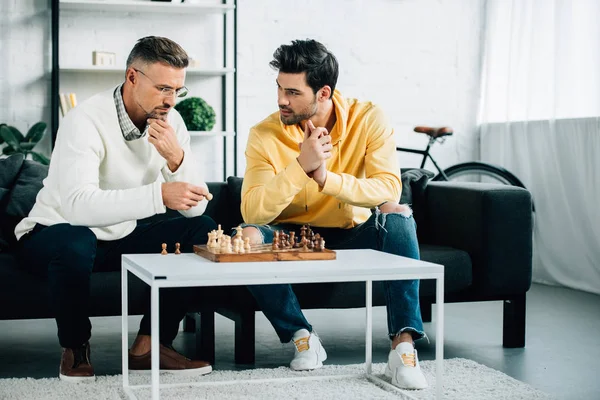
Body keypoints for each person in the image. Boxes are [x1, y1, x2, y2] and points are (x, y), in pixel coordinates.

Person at [15, 36, 216, 382]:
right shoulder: (84, 120)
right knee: (77, 239)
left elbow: (194, 212)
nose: (171, 101)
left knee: (203, 230)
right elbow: (78, 208)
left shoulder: (173, 123)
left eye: (178, 90)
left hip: (117, 234)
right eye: (163, 88)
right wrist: (159, 196)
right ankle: (75, 347)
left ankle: (149, 346)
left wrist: (176, 157)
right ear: (132, 77)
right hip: (52, 233)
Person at [240, 39, 428, 390]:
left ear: (323, 92)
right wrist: (300, 167)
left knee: (399, 213)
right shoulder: (263, 134)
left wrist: (326, 179)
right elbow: (252, 210)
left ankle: (403, 347)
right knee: (247, 236)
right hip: (292, 235)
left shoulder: (368, 117)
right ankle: (301, 335)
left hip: (352, 232)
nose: (282, 100)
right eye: (279, 89)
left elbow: (389, 187)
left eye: (293, 92)